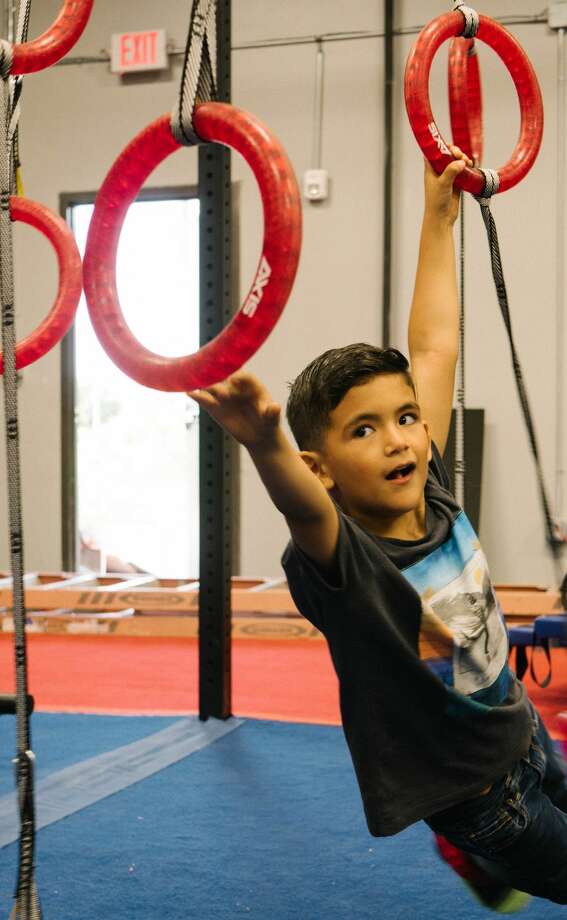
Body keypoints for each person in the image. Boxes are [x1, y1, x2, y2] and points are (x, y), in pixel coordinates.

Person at [188, 147, 567, 911]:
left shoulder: (423, 480)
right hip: (474, 792)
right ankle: (474, 849)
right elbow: (301, 507)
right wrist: (262, 442)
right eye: (363, 431)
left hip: (519, 732)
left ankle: (478, 866)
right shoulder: (345, 559)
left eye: (403, 419)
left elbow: (432, 345)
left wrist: (437, 214)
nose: (397, 438)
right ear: (320, 465)